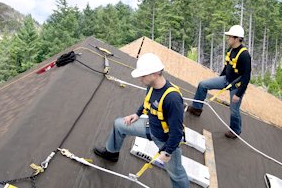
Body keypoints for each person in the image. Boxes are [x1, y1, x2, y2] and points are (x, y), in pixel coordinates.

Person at [94, 53, 190, 188]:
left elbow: (177, 132)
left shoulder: (172, 99)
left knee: (176, 173)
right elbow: (148, 103)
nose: (140, 78)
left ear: (156, 73)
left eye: (143, 75)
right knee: (119, 124)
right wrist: (137, 114)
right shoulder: (151, 85)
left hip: (165, 140)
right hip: (151, 127)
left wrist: (167, 152)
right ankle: (111, 153)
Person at [187, 25, 251, 139]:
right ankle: (197, 108)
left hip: (236, 86)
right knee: (203, 85)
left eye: (229, 37)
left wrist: (238, 94)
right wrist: (219, 78)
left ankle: (235, 131)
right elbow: (227, 66)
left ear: (236, 38)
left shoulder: (245, 55)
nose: (228, 39)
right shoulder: (230, 49)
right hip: (226, 79)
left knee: (234, 110)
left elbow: (246, 77)